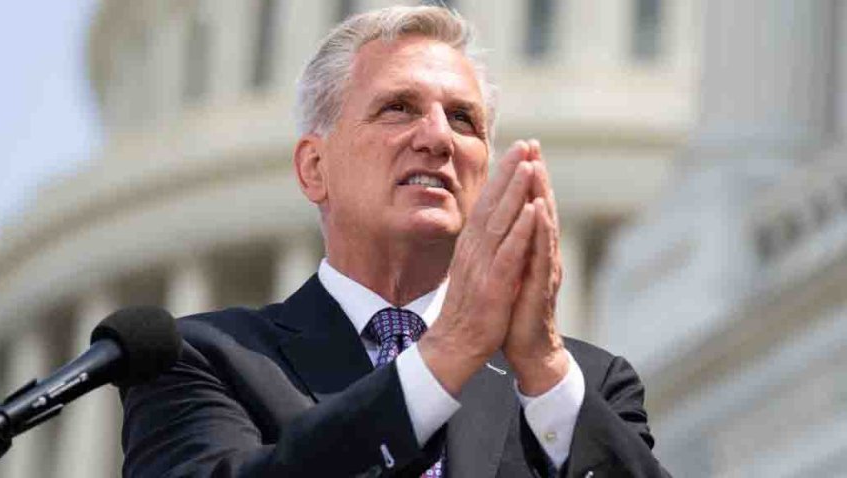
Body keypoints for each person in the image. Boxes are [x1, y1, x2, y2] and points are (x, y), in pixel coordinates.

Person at [121, 6, 669, 477]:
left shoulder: (586, 384)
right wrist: (441, 361)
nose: (437, 139)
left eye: (463, 119)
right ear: (315, 168)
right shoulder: (204, 360)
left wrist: (545, 369)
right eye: (399, 108)